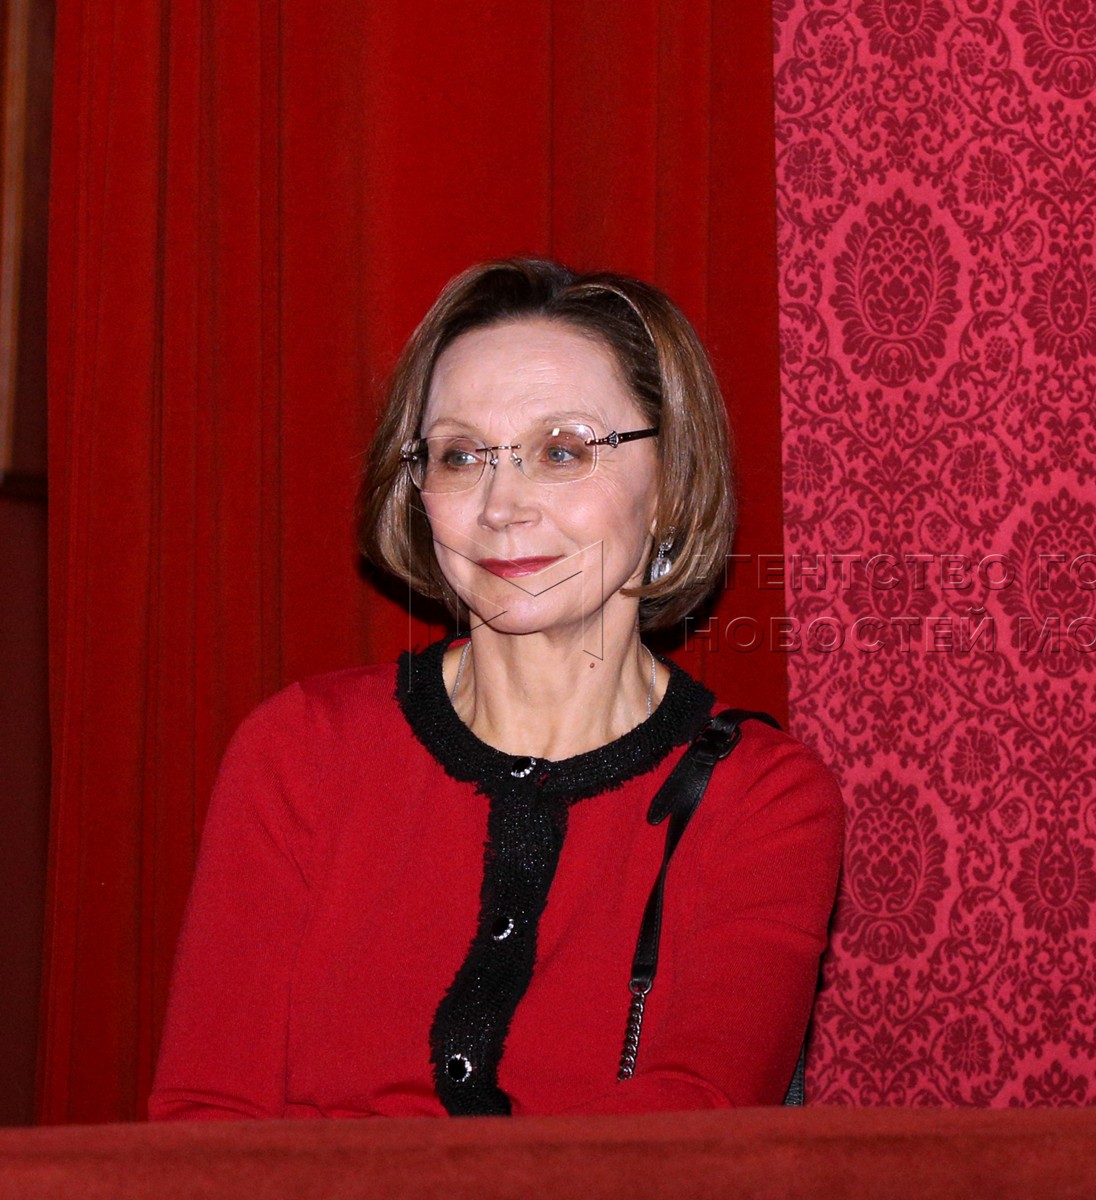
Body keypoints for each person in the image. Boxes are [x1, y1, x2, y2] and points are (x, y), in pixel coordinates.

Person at [150, 260, 844, 1118]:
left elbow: (686, 1141)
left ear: (670, 485)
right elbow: (207, 1126)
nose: (500, 504)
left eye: (562, 451)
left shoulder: (765, 800)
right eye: (461, 455)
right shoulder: (302, 750)